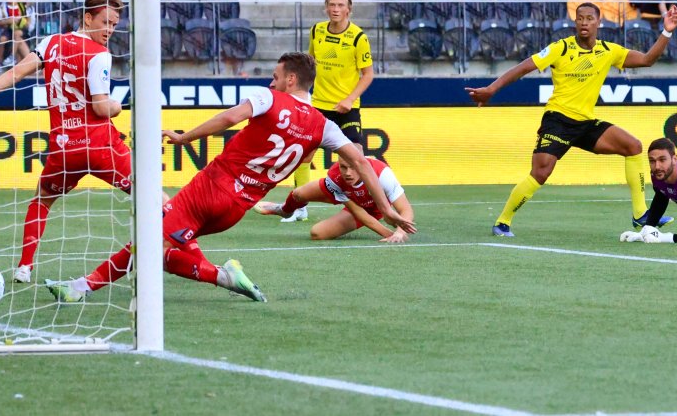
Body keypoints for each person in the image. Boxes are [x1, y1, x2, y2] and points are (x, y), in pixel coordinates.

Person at [46, 53, 415, 303]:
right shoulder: (324, 127)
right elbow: (365, 165)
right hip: (236, 209)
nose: (271, 82)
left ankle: (82, 288)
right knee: (165, 245)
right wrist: (388, 210)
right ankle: (222, 276)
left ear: (289, 78)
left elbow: (228, 119)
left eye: (275, 76)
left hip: (210, 188)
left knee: (149, 239)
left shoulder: (268, 98)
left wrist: (183, 137)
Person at [0, 0, 129, 284]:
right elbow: (100, 106)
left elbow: (17, 72)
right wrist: (116, 106)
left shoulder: (51, 43)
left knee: (42, 201)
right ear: (87, 17)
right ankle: (192, 257)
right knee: (155, 200)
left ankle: (24, 266)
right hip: (101, 147)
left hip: (64, 148)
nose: (109, 30)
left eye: (113, 25)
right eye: (105, 22)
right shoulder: (100, 55)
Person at [466, 3, 677, 237]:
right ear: (575, 22)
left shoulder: (608, 51)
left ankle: (641, 215)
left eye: (589, 18)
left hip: (585, 123)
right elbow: (522, 68)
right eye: (580, 18)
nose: (584, 22)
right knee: (541, 173)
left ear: (599, 22)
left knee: (633, 146)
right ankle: (503, 222)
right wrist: (491, 89)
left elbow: (648, 59)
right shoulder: (561, 48)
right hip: (557, 120)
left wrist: (667, 31)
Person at [284, 0, 377, 222]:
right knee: (303, 155)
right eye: (332, 5)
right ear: (326, 7)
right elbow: (311, 63)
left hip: (346, 108)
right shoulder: (317, 30)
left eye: (340, 5)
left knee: (357, 158)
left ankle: (369, 205)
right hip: (318, 106)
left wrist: (349, 99)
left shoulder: (358, 37)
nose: (335, 9)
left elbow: (368, 75)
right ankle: (299, 208)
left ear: (349, 9)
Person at [254, 145, 414, 243]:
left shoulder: (382, 174)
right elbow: (356, 211)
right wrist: (388, 234)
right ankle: (284, 210)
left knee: (317, 233)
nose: (348, 173)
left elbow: (406, 209)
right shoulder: (335, 176)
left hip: (372, 208)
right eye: (343, 166)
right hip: (349, 199)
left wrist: (399, 233)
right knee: (298, 194)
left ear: (362, 163)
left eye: (353, 167)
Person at [0, 0, 34, 70]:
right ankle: (0, 63)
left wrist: (19, 20)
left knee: (17, 33)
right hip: (9, 29)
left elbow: (26, 22)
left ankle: (12, 58)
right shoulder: (3, 6)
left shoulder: (22, 6)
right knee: (2, 39)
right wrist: (7, 21)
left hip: (21, 30)